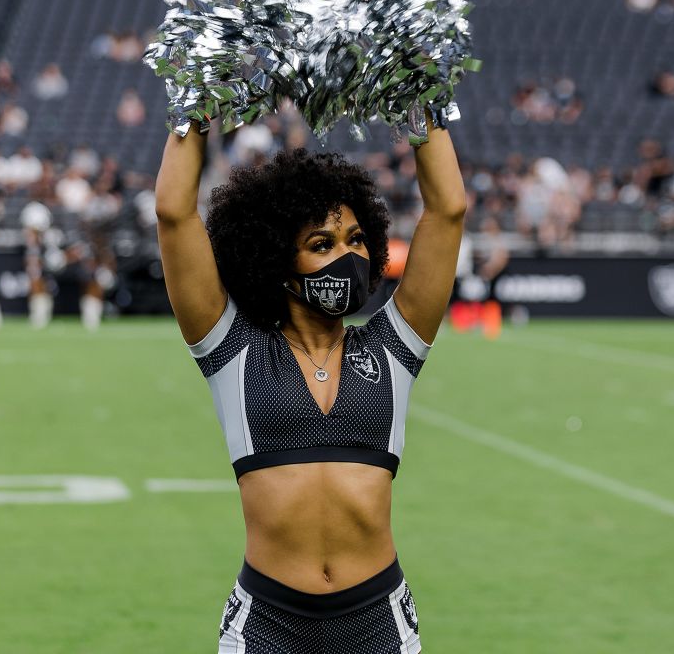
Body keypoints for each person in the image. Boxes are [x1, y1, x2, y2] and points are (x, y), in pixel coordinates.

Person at [156, 113, 465, 652]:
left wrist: (422, 105)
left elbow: (448, 210)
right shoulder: (234, 351)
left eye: (355, 240)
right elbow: (174, 212)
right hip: (268, 621)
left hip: (377, 618)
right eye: (321, 243)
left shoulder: (393, 347)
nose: (346, 256)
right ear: (276, 259)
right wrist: (197, 106)